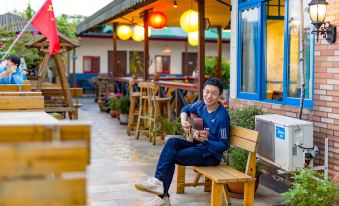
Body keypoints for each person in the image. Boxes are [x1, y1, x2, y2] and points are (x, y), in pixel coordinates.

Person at [135, 77, 231, 206]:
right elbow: (185, 109)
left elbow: (224, 145)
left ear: (220, 96)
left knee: (172, 155)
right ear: (203, 91)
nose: (209, 96)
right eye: (206, 92)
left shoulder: (222, 116)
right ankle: (158, 184)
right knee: (172, 142)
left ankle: (162, 196)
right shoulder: (201, 105)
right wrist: (183, 121)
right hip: (198, 145)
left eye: (214, 93)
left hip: (210, 154)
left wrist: (206, 141)